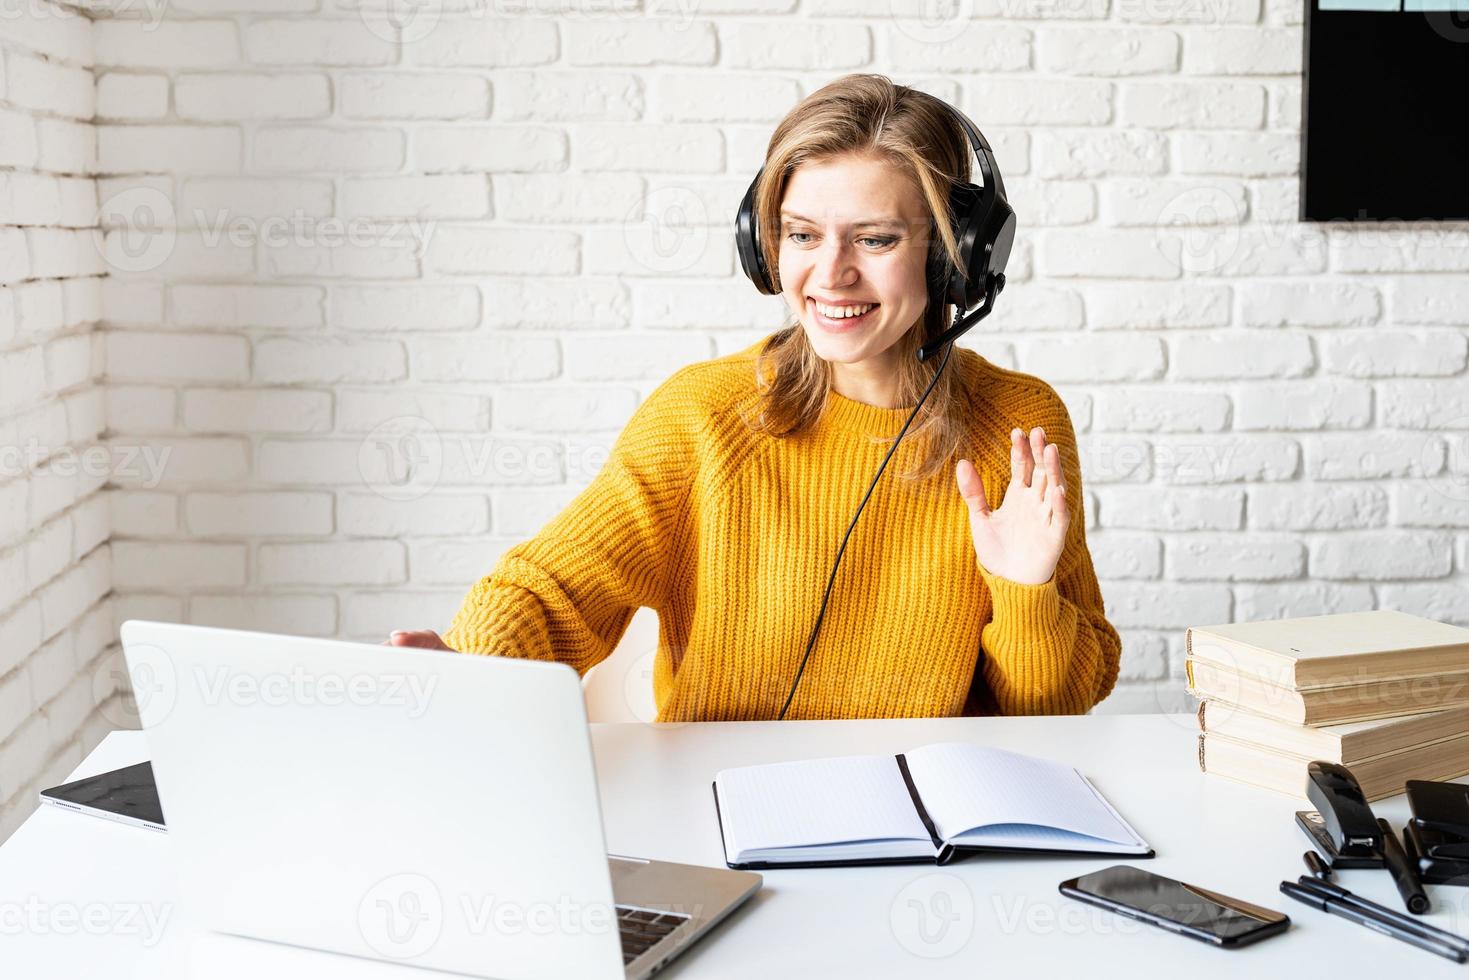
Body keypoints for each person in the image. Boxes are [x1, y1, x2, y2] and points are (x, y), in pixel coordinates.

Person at [388, 73, 1121, 721]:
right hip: (717, 809)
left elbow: (1058, 704)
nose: (829, 275)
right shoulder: (703, 415)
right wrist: (474, 666)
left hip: (928, 828)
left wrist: (1025, 590)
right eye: (801, 235)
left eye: (873, 240)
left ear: (953, 254)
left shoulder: (1018, 424)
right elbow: (551, 590)